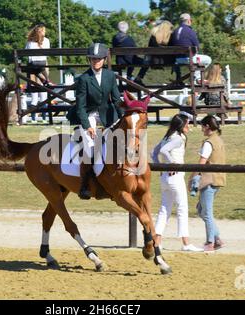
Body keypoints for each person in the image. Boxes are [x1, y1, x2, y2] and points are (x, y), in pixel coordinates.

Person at [67, 43, 123, 199]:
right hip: (88, 114)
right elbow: (80, 107)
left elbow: (117, 99)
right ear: (89, 60)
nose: (95, 61)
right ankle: (86, 183)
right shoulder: (83, 79)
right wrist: (87, 127)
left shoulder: (110, 76)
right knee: (91, 146)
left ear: (104, 59)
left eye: (98, 59)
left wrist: (124, 118)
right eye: (93, 59)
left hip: (106, 113)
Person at [151, 113, 203, 252]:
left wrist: (161, 168)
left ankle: (157, 241)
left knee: (164, 209)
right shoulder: (179, 138)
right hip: (176, 176)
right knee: (182, 208)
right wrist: (172, 163)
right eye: (187, 124)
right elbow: (162, 151)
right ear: (181, 125)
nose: (189, 126)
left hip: (165, 178)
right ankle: (186, 243)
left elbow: (154, 153)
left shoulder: (167, 137)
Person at [188, 115, 226, 252]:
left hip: (209, 180)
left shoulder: (209, 143)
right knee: (201, 210)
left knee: (207, 212)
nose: (201, 129)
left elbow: (202, 162)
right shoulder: (219, 140)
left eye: (202, 126)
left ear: (207, 126)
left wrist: (191, 178)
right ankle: (216, 238)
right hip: (219, 179)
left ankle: (210, 242)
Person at [169, 13, 212, 83]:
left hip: (177, 60)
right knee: (208, 59)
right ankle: (196, 77)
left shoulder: (175, 31)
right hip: (188, 59)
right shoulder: (190, 31)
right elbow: (197, 47)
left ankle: (195, 77)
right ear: (189, 21)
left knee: (193, 60)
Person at [134, 20, 174, 86]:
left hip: (153, 61)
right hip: (167, 61)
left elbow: (149, 48)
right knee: (177, 58)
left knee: (148, 57)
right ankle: (179, 78)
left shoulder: (154, 36)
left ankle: (139, 77)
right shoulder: (170, 36)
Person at [25, 23, 51, 123]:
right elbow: (47, 53)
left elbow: (28, 55)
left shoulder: (30, 42)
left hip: (33, 68)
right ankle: (44, 118)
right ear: (41, 32)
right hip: (43, 67)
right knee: (43, 93)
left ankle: (33, 118)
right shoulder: (47, 41)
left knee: (34, 94)